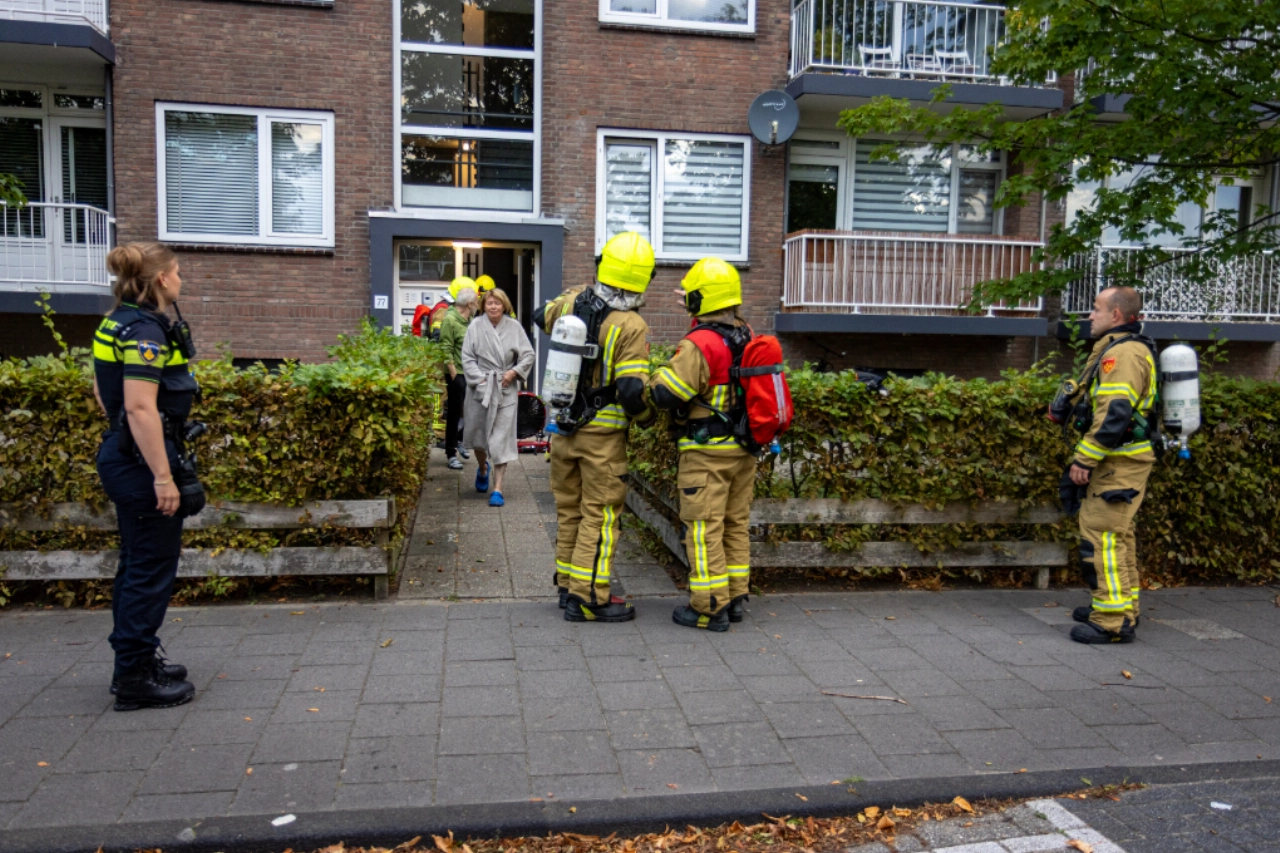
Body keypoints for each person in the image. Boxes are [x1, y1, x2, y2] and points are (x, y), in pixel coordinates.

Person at [92, 242, 199, 710]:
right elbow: (139, 406)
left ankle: (134, 660)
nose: (180, 280)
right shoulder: (145, 331)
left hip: (123, 452)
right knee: (150, 570)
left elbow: (104, 391)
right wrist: (162, 474)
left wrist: (125, 430)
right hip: (140, 464)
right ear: (160, 280)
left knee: (135, 564)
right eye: (176, 273)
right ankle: (134, 677)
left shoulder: (115, 321)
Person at [534, 232, 655, 623]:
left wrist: (572, 297)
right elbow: (632, 390)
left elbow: (540, 316)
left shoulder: (573, 301)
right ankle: (589, 598)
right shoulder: (631, 325)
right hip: (601, 440)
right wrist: (649, 419)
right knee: (600, 518)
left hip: (564, 429)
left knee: (569, 512)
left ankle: (568, 586)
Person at [649, 258, 756, 632]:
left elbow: (667, 394)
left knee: (703, 528)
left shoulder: (700, 343)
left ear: (700, 299)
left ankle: (709, 606)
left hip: (706, 451)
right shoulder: (745, 333)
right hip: (742, 449)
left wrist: (658, 373)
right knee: (733, 523)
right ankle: (735, 596)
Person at [1062, 286, 1157, 645]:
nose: (1090, 315)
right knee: (1119, 534)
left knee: (1101, 535)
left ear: (1116, 315)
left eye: (1096, 309)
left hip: (1119, 462)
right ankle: (1121, 606)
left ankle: (1112, 622)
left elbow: (1114, 414)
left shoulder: (1124, 355)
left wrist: (1084, 458)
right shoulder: (1123, 349)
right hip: (1123, 459)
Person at [461, 287, 535, 507]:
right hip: (480, 389)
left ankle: (498, 489)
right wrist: (480, 380)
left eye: (498, 303)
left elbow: (528, 354)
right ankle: (483, 468)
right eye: (489, 303)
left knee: (501, 440)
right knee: (480, 440)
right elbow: (467, 357)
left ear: (505, 305)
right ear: (484, 305)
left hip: (505, 389)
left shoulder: (514, 327)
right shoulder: (475, 326)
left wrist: (513, 373)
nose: (493, 307)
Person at [440, 286, 478, 470]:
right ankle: (450, 453)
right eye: (477, 302)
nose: (478, 305)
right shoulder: (450, 320)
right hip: (457, 374)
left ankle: (460, 441)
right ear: (470, 304)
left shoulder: (469, 320)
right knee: (455, 413)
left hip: (470, 373)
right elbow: (446, 347)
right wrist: (454, 374)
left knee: (468, 411)